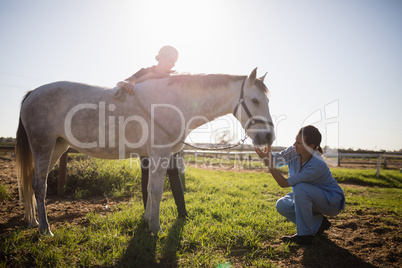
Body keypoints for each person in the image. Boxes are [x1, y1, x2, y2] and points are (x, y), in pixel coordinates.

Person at [116, 45, 188, 218]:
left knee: (172, 170)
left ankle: (182, 213)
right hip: (146, 131)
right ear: (160, 57)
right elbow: (120, 84)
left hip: (166, 131)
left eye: (175, 62)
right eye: (171, 60)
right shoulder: (144, 72)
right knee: (146, 171)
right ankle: (147, 213)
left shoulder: (174, 77)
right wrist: (127, 84)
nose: (172, 64)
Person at [255, 125, 345, 245]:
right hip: (308, 197)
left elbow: (284, 183)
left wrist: (269, 164)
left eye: (299, 143)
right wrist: (267, 150)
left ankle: (305, 236)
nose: (294, 145)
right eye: (295, 141)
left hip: (331, 202)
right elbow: (276, 159)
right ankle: (319, 224)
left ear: (311, 146)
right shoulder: (294, 151)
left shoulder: (317, 164)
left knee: (300, 187)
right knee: (282, 205)